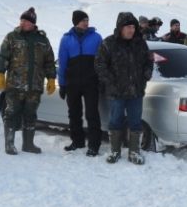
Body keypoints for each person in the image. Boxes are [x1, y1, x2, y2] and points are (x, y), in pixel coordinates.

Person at [95, 12, 154, 164]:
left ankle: (134, 152)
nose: (131, 30)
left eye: (133, 27)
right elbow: (100, 64)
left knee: (135, 122)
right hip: (116, 92)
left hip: (136, 91)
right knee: (115, 122)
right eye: (128, 27)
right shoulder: (109, 43)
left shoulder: (140, 43)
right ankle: (115, 151)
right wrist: (110, 82)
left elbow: (149, 61)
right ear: (120, 28)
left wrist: (146, 75)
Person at [0, 7, 56, 156]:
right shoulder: (12, 37)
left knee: (30, 115)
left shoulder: (42, 40)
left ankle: (28, 144)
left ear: (33, 24)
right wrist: (0, 73)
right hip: (15, 85)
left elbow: (49, 61)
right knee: (11, 113)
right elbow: (3, 57)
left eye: (26, 21)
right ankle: (9, 144)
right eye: (22, 20)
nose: (23, 23)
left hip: (34, 86)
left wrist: (51, 78)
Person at [57, 10, 103, 156]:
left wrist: (101, 80)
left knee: (92, 113)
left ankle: (94, 145)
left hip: (91, 82)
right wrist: (62, 84)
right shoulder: (66, 39)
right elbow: (63, 63)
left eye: (87, 20)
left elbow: (101, 61)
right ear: (76, 22)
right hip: (73, 83)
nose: (86, 22)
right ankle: (77, 141)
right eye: (83, 20)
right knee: (74, 113)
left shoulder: (96, 37)